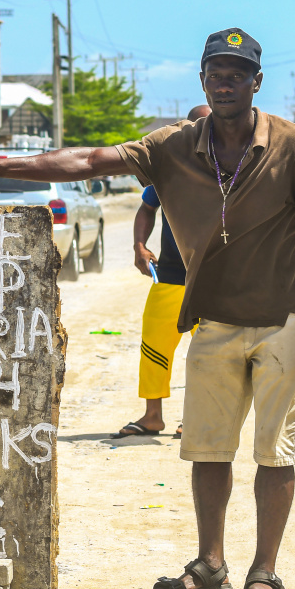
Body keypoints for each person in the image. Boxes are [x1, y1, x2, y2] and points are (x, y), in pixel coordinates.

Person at [0, 28, 295, 589]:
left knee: (275, 452)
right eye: (215, 74)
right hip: (212, 321)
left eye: (236, 75)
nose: (224, 84)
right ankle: (211, 565)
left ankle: (264, 571)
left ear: (256, 82)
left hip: (284, 320)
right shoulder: (172, 146)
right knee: (208, 450)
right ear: (202, 81)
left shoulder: (291, 144)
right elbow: (90, 159)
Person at [116, 104, 210, 439]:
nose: (203, 133)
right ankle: (152, 416)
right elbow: (147, 208)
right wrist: (139, 246)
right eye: (196, 126)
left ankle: (196, 418)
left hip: (213, 278)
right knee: (154, 346)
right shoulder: (171, 168)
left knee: (208, 352)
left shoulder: (232, 169)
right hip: (170, 274)